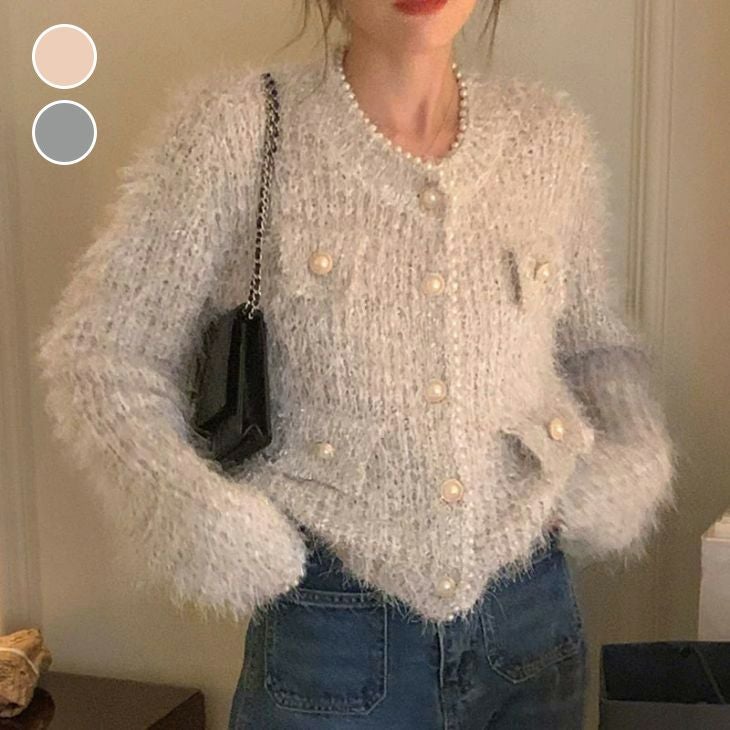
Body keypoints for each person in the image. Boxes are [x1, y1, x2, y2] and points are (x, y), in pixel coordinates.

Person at [36, 0, 678, 727]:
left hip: (531, 620)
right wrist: (202, 518)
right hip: (329, 630)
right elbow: (105, 354)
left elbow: (596, 348)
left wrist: (630, 462)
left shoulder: (548, 139)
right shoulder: (238, 129)